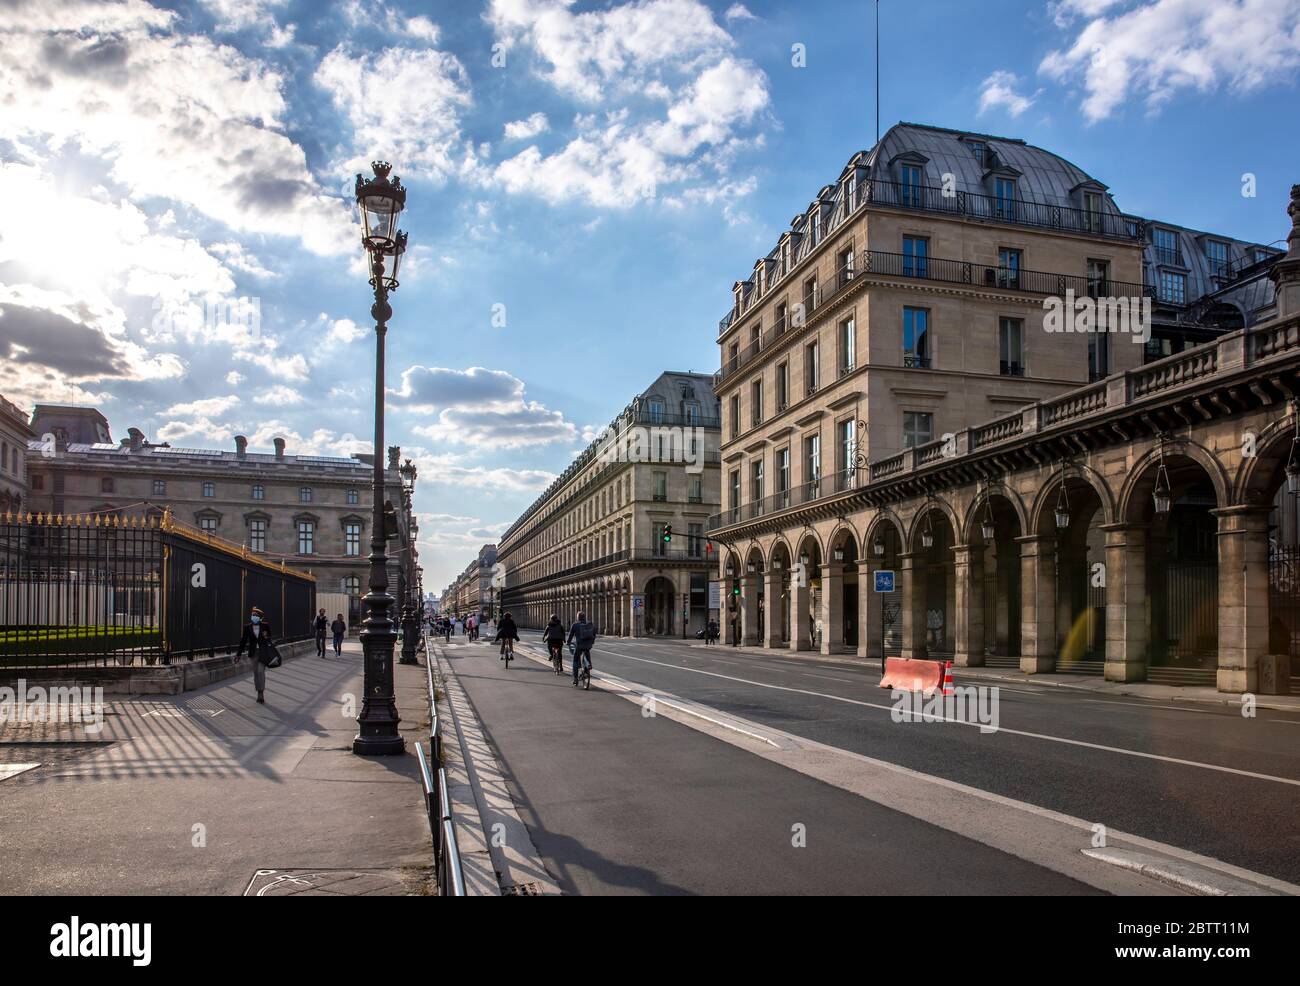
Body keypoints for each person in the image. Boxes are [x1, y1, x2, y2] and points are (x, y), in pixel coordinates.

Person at [235, 606, 277, 703]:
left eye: (256, 615)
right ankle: (258, 690)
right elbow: (243, 641)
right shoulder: (247, 627)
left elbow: (268, 638)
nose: (254, 616)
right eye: (253, 615)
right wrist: (238, 655)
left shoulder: (265, 626)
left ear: (260, 617)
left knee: (260, 671)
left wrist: (265, 636)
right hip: (253, 653)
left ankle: (261, 693)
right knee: (255, 673)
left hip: (263, 653)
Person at [567, 610, 596, 686]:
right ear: (584, 617)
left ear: (578, 617)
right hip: (588, 645)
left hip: (579, 646)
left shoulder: (575, 625)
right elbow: (594, 633)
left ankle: (575, 679)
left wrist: (568, 642)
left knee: (575, 660)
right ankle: (588, 667)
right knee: (587, 654)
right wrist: (592, 642)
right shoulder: (589, 624)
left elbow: (570, 635)